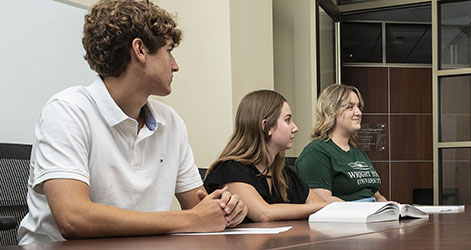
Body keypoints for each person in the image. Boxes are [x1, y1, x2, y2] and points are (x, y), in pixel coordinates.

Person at [17, 0, 247, 244]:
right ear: (140, 50)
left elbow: (200, 206)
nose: (175, 65)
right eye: (168, 50)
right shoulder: (67, 111)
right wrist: (192, 219)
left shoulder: (171, 122)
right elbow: (73, 218)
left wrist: (226, 211)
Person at [203, 90, 329, 222]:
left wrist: (324, 207)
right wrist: (324, 206)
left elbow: (320, 205)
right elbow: (264, 213)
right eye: (287, 120)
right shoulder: (230, 169)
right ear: (267, 127)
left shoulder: (283, 174)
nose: (295, 128)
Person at [295, 84, 388, 202]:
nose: (358, 112)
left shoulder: (358, 153)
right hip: (348, 217)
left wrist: (393, 210)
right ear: (331, 111)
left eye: (358, 106)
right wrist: (361, 212)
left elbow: (377, 196)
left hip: (372, 214)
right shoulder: (315, 152)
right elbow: (322, 200)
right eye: (350, 107)